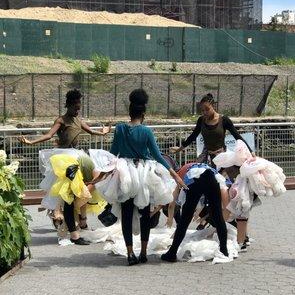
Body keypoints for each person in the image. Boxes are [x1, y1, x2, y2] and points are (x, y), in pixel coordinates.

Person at [90, 89, 186, 266]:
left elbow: (112, 155)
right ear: (144, 113)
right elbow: (157, 156)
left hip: (125, 173)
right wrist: (175, 175)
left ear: (129, 112)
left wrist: (100, 177)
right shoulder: (147, 132)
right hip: (143, 173)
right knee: (145, 213)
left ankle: (129, 253)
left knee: (126, 213)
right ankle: (143, 252)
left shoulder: (119, 129)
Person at [170, 93, 255, 250]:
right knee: (200, 193)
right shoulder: (202, 121)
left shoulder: (224, 120)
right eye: (202, 110)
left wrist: (251, 153)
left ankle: (241, 234)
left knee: (227, 196)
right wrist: (181, 147)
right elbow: (193, 135)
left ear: (213, 105)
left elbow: (237, 136)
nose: (204, 113)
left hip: (222, 159)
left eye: (206, 109)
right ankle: (208, 222)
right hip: (206, 159)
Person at [19, 89, 111, 230]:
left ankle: (79, 209)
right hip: (64, 156)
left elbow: (91, 131)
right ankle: (60, 212)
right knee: (64, 186)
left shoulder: (78, 120)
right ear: (68, 105)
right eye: (75, 108)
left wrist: (102, 133)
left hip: (77, 154)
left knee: (96, 175)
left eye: (79, 109)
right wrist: (31, 142)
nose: (77, 111)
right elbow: (49, 135)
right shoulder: (61, 120)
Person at [161, 163, 230, 263]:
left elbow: (172, 203)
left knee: (185, 218)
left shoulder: (180, 175)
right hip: (212, 178)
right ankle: (224, 251)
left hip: (195, 179)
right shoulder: (201, 167)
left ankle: (172, 252)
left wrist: (170, 218)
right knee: (218, 216)